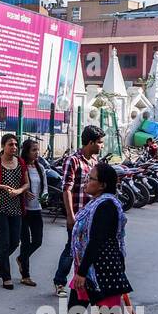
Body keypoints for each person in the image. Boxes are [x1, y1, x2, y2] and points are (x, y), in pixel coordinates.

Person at [47, 162, 158, 314]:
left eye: (91, 179)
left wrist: (81, 272)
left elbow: (97, 240)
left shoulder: (106, 205)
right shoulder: (98, 203)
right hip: (89, 268)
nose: (87, 182)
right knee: (75, 310)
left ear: (101, 185)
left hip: (100, 270)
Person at [53, 125, 105, 298]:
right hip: (77, 215)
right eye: (100, 142)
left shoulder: (95, 163)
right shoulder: (73, 160)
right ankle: (60, 282)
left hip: (92, 215)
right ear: (90, 142)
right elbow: (66, 189)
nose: (101, 146)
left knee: (89, 249)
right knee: (72, 248)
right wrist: (70, 215)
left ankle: (87, 282)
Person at [0, 133, 28, 289]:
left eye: (15, 144)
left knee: (15, 242)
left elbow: (26, 183)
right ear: (3, 146)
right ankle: (6, 277)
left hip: (15, 208)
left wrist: (19, 191)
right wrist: (2, 186)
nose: (14, 147)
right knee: (4, 242)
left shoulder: (20, 162)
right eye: (10, 144)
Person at [19, 137, 48, 286]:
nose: (37, 153)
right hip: (23, 210)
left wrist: (44, 196)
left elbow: (45, 186)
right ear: (26, 151)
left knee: (37, 241)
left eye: (37, 150)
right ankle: (26, 275)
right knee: (25, 242)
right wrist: (23, 192)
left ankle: (21, 258)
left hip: (36, 208)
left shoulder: (40, 167)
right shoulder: (20, 166)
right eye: (33, 150)